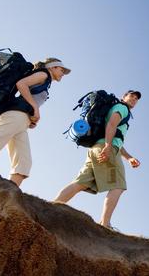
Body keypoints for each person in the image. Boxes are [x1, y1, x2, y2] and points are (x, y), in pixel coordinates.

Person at [0, 57, 71, 186]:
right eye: (62, 70)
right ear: (53, 67)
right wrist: (34, 107)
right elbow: (21, 84)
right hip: (15, 116)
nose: (63, 73)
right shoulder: (43, 74)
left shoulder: (46, 81)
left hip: (21, 120)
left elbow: (28, 96)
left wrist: (31, 117)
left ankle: (10, 192)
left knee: (23, 161)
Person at [53, 90, 142, 230]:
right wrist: (107, 146)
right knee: (118, 186)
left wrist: (129, 157)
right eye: (131, 96)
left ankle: (51, 207)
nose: (134, 99)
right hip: (106, 148)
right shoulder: (122, 108)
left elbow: (117, 137)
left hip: (96, 148)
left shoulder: (119, 109)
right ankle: (105, 225)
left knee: (80, 183)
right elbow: (111, 125)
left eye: (136, 99)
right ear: (123, 97)